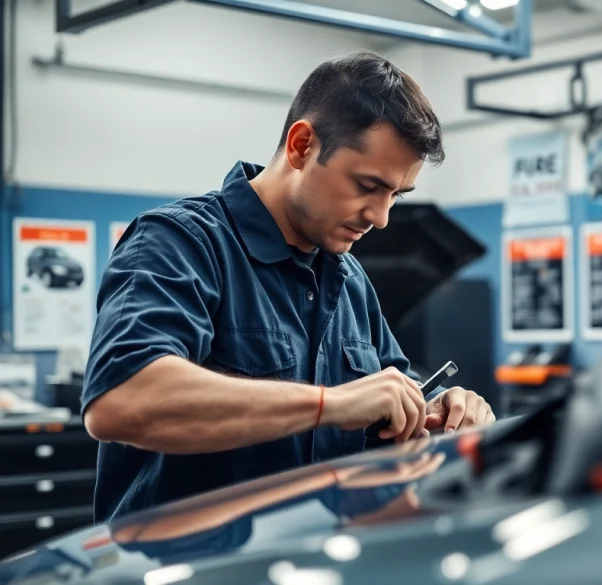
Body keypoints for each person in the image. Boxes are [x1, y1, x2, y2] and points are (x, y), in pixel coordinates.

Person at [81, 51, 496, 523]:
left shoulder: (349, 279)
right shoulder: (180, 243)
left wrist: (437, 411)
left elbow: (393, 400)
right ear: (301, 146)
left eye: (395, 196)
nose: (381, 218)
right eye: (366, 185)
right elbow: (122, 401)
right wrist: (330, 404)